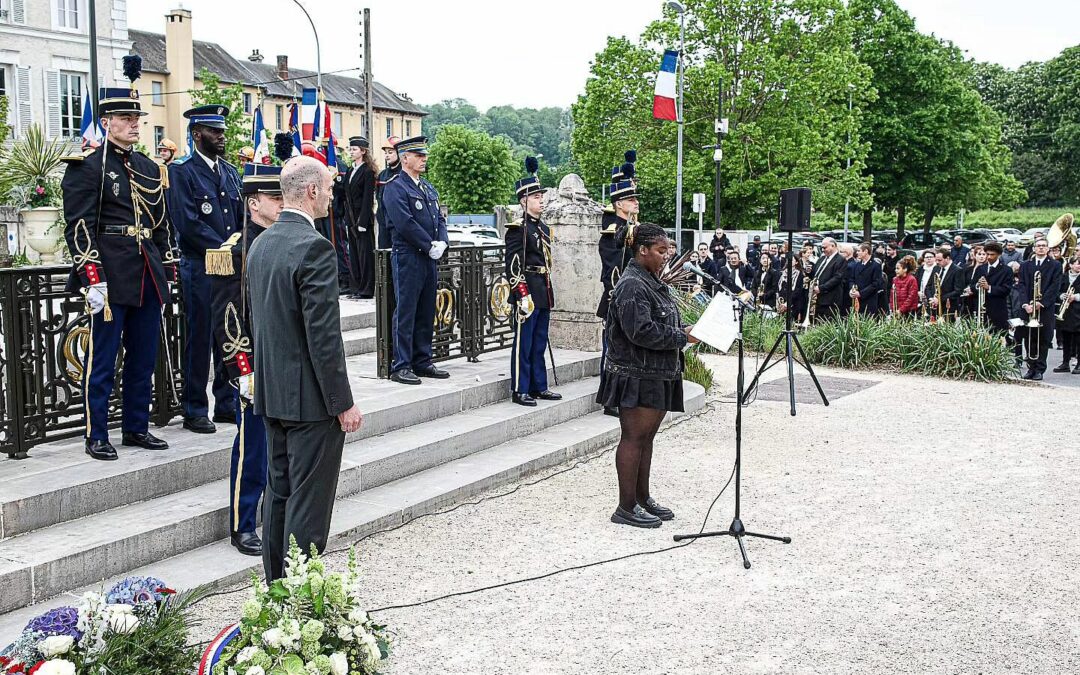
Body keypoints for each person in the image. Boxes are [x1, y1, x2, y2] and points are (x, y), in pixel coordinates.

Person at [245, 156, 363, 581]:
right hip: (311, 402)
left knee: (278, 496)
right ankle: (299, 602)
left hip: (273, 393)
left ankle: (274, 590)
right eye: (329, 188)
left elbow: (259, 322)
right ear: (311, 191)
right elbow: (324, 337)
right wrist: (342, 403)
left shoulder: (261, 242)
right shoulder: (314, 247)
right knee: (309, 508)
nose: (332, 195)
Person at [60, 70, 180, 461]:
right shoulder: (87, 166)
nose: (134, 125)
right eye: (126, 119)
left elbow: (160, 225)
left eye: (137, 119)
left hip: (146, 274)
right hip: (111, 276)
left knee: (144, 358)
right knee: (102, 360)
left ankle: (136, 427)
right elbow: (79, 227)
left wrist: (167, 270)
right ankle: (96, 433)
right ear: (106, 122)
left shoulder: (148, 167)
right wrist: (93, 278)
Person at [205, 163, 284, 556]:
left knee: (281, 444)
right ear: (254, 203)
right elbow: (227, 318)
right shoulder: (234, 250)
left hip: (283, 359)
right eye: (276, 197)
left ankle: (276, 514)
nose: (283, 203)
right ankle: (243, 522)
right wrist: (243, 370)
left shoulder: (286, 239)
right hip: (252, 363)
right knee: (252, 444)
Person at [598, 222, 697, 529]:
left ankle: (642, 498)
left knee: (646, 439)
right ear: (642, 250)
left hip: (655, 371)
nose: (667, 255)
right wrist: (683, 337)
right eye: (661, 250)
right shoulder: (631, 284)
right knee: (633, 438)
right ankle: (626, 507)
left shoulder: (650, 280)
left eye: (668, 249)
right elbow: (639, 331)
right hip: (635, 373)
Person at [168, 104, 243, 434]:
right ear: (197, 134)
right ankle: (195, 408)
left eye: (223, 130)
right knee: (198, 337)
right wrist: (223, 247)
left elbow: (240, 214)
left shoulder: (229, 171)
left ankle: (226, 402)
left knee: (229, 333)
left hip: (229, 266)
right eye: (215, 131)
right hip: (200, 266)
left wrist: (237, 247)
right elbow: (187, 222)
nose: (222, 136)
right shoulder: (181, 171)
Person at [382, 136, 450, 385]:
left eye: (425, 155)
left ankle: (422, 360)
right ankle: (401, 364)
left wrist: (442, 242)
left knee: (425, 310)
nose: (424, 159)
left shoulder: (427, 187)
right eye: (419, 156)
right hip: (408, 256)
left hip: (428, 257)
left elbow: (440, 218)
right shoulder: (395, 187)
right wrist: (428, 244)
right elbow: (404, 223)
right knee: (407, 310)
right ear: (404, 158)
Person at [505, 158, 559, 407]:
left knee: (538, 343)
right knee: (523, 344)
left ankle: (539, 386)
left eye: (542, 196)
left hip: (543, 290)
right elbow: (513, 266)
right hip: (527, 292)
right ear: (524, 200)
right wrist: (521, 294)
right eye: (536, 197)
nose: (541, 200)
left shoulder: (544, 228)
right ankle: (520, 388)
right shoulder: (518, 229)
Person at [596, 158, 637, 417]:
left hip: (631, 297)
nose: (635, 202)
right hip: (616, 298)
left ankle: (621, 394)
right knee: (612, 350)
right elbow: (612, 271)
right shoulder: (613, 231)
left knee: (625, 350)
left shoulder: (628, 227)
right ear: (619, 204)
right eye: (630, 199)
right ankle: (609, 398)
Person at [1015, 237, 1063, 380]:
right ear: (1034, 248)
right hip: (1028, 308)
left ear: (1048, 248)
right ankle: (1031, 367)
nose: (1041, 248)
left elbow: (1055, 286)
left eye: (1044, 246)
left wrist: (1042, 303)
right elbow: (1021, 286)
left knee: (1043, 338)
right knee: (1028, 338)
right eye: (1038, 246)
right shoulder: (1025, 265)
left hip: (1044, 309)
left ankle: (1040, 369)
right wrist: (1025, 304)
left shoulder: (1055, 265)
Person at [344, 136, 377, 299]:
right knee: (354, 255)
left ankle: (367, 289)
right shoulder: (350, 170)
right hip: (350, 218)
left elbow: (367, 199)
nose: (351, 152)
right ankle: (356, 288)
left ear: (363, 151)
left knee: (365, 256)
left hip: (362, 219)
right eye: (350, 149)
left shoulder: (368, 171)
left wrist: (363, 221)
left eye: (354, 149)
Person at [976, 242, 1013, 334]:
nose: (988, 257)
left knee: (999, 336)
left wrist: (989, 287)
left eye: (992, 255)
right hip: (983, 309)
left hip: (998, 310)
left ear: (999, 255)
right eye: (987, 254)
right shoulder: (981, 268)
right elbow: (973, 286)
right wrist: (978, 286)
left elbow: (1006, 289)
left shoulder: (1006, 270)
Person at [1054, 256, 1080, 374]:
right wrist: (1062, 296)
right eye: (1077, 264)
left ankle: (1079, 364)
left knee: (1078, 339)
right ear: (1071, 265)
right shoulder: (1063, 277)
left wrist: (1075, 297)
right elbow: (1057, 291)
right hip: (1065, 312)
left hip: (1078, 311)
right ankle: (1065, 363)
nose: (1078, 266)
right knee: (1066, 338)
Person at [375, 135, 401, 250]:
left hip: (398, 224)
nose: (387, 156)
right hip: (383, 224)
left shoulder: (403, 174)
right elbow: (378, 197)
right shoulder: (382, 175)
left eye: (390, 152)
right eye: (386, 153)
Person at [810, 237, 846, 320]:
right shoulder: (822, 258)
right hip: (818, 298)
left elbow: (837, 278)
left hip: (831, 299)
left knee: (827, 322)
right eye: (822, 248)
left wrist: (821, 288)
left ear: (833, 246)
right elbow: (816, 274)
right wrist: (809, 272)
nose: (822, 250)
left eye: (824, 247)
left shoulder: (840, 260)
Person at [927, 247, 965, 321]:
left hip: (949, 307)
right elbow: (929, 285)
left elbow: (958, 291)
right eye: (936, 260)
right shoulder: (936, 268)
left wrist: (940, 299)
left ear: (947, 258)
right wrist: (931, 298)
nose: (937, 262)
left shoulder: (957, 270)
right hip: (934, 307)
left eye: (939, 260)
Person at [848, 242, 883, 315]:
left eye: (859, 251)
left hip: (869, 301)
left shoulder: (875, 265)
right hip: (857, 300)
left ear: (866, 251)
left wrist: (861, 293)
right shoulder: (856, 265)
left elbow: (876, 283)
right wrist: (852, 289)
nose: (857, 253)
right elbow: (851, 279)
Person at [960, 245, 987, 317]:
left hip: (978, 299)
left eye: (984, 254)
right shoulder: (968, 268)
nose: (982, 256)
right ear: (974, 255)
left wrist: (972, 290)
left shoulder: (986, 269)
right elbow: (963, 282)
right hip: (966, 299)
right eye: (979, 254)